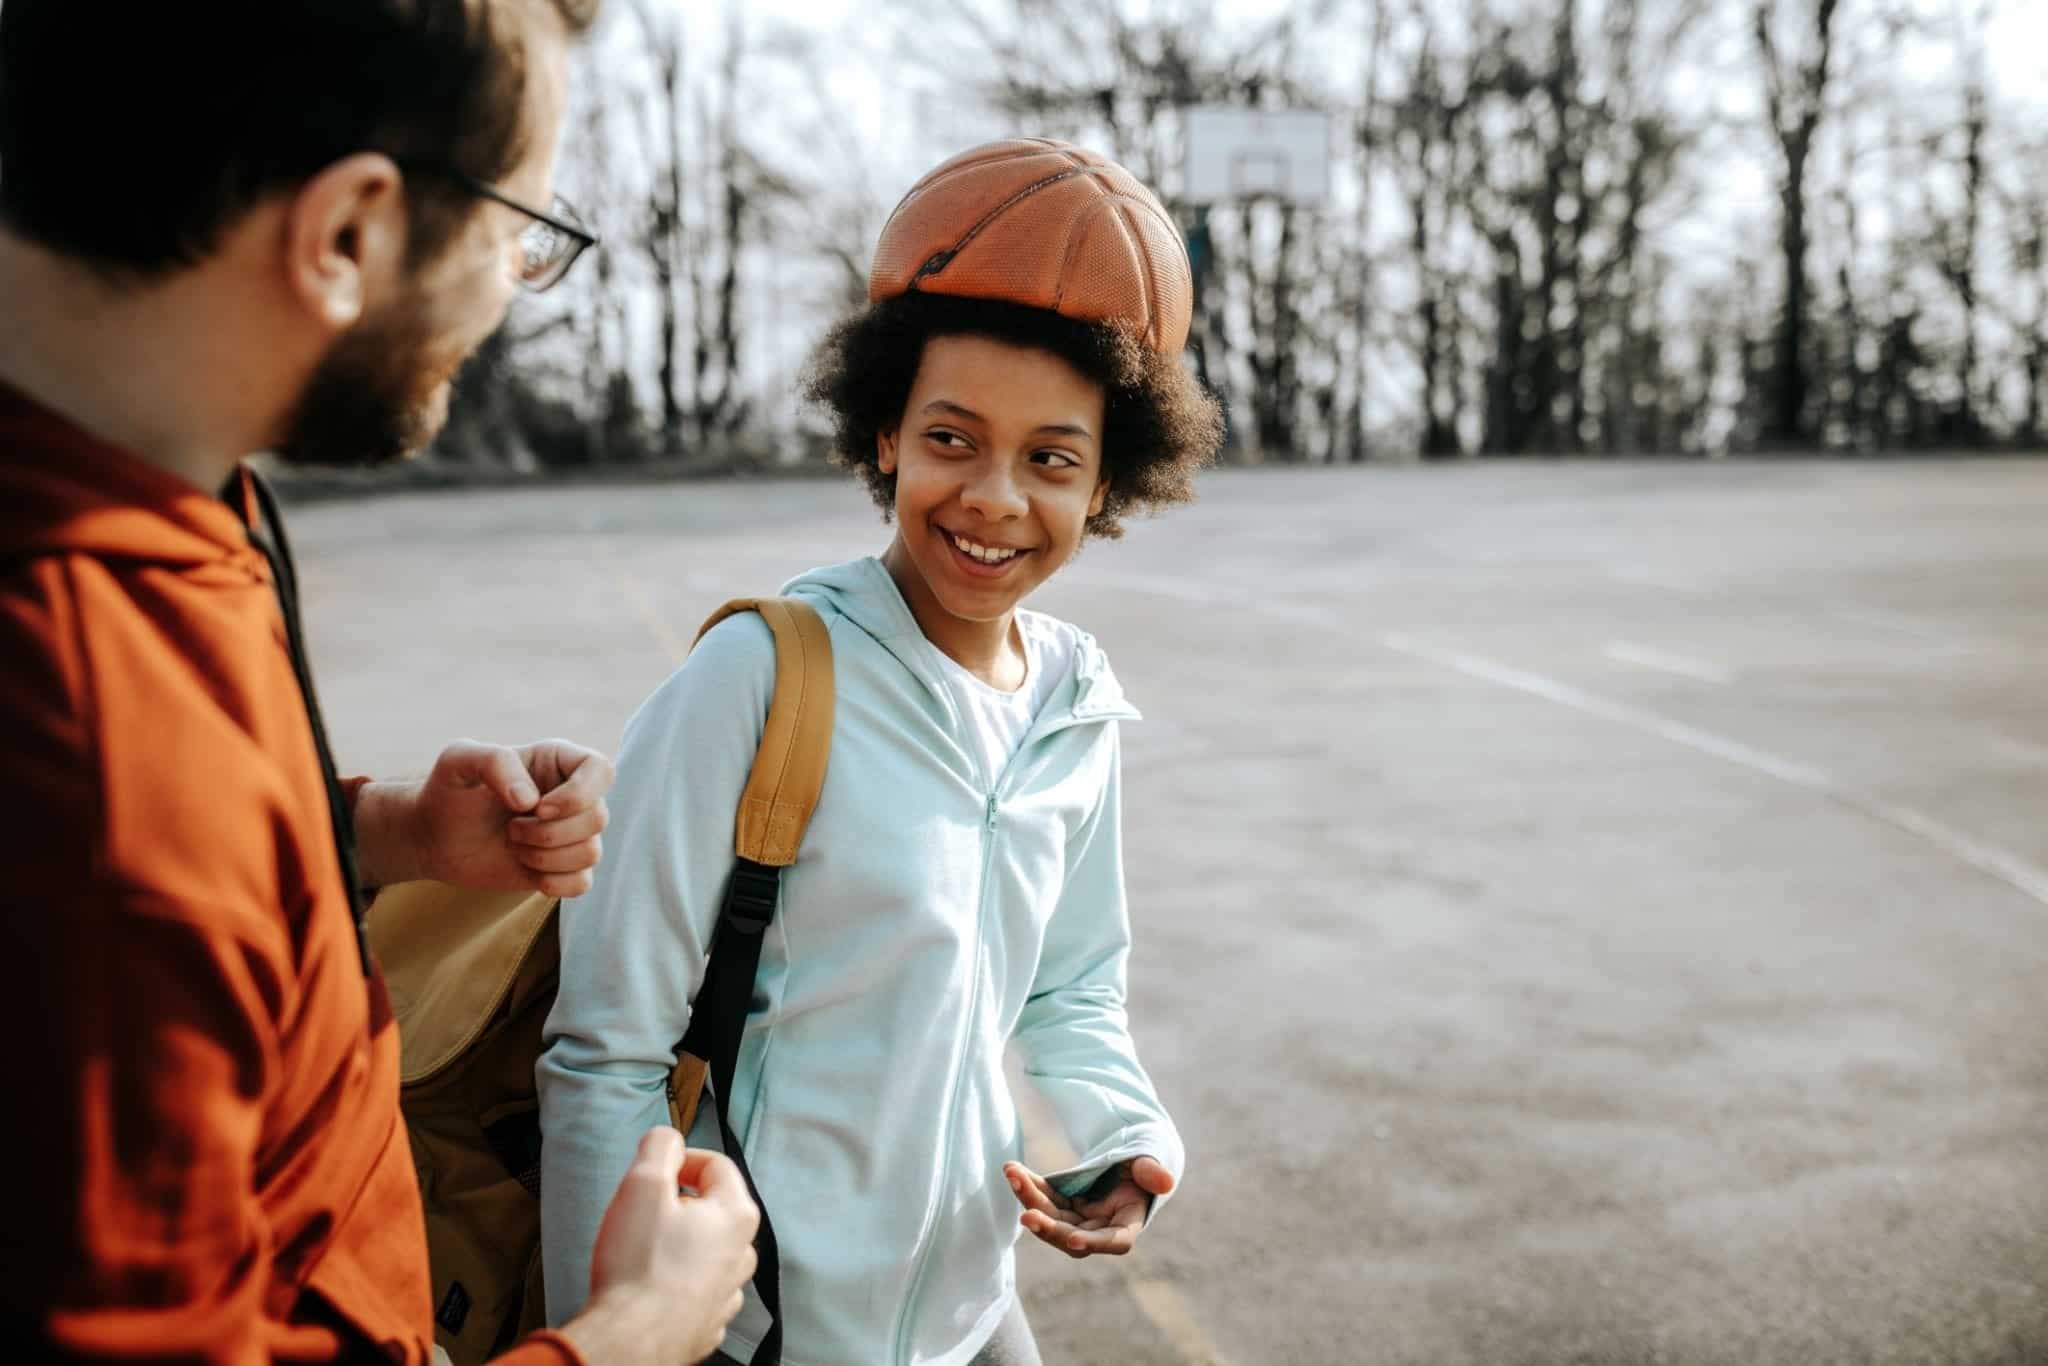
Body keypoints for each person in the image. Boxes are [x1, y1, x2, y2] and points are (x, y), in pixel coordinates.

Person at [0, 2, 758, 1362]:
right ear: (349, 230)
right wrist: (630, 1332)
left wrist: (365, 832)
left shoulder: (152, 477)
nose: (514, 281)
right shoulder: (101, 755)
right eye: (517, 230)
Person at [536, 139, 1225, 1365]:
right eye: (952, 439)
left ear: (1107, 478)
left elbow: (1070, 988)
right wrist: (614, 1338)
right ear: (885, 437)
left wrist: (1122, 1133)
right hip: (760, 1327)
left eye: (1050, 459)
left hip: (969, 1311)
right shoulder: (755, 675)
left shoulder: (1073, 703)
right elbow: (604, 1051)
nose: (995, 499)